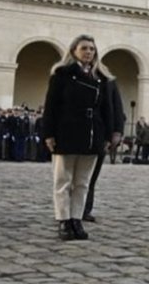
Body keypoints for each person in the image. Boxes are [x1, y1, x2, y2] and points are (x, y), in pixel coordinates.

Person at [40, 35, 115, 241]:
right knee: (63, 180)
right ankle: (63, 220)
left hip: (92, 133)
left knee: (82, 182)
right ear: (74, 51)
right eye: (84, 48)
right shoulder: (62, 74)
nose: (89, 52)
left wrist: (107, 135)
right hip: (67, 131)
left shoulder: (100, 77)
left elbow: (106, 109)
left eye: (92, 48)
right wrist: (49, 133)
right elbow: (51, 106)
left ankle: (76, 218)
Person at [81, 71, 125, 224]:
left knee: (91, 176)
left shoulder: (107, 80)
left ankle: (85, 208)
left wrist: (117, 131)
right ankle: (67, 209)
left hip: (100, 134)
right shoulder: (67, 75)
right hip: (74, 132)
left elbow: (117, 107)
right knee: (68, 177)